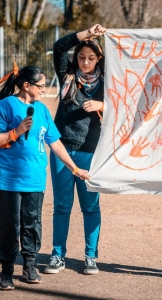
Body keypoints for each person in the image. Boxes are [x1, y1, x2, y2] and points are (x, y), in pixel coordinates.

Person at [0, 64, 90, 291]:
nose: (43, 90)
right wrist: (15, 132)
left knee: (32, 224)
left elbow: (55, 142)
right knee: (9, 225)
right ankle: (7, 270)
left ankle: (29, 266)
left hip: (35, 179)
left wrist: (74, 169)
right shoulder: (6, 105)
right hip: (8, 180)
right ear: (26, 85)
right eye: (40, 86)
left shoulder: (41, 110)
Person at [44, 24, 107, 275]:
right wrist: (86, 34)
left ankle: (91, 257)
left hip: (91, 151)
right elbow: (59, 46)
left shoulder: (108, 80)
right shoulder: (67, 74)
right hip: (62, 148)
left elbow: (125, 100)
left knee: (90, 206)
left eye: (91, 58)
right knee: (61, 205)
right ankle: (58, 255)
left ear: (99, 59)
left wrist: (103, 103)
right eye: (81, 56)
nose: (85, 62)